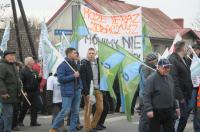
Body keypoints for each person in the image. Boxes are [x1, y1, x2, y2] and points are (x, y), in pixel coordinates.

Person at [50, 48, 82, 132]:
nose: (76, 54)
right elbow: (60, 79)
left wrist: (80, 87)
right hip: (68, 92)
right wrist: (73, 76)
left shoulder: (76, 64)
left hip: (77, 90)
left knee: (75, 111)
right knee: (65, 111)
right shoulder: (63, 65)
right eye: (75, 53)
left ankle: (72, 129)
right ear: (69, 54)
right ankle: (54, 128)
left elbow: (79, 75)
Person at [143, 58, 180, 132]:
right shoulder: (151, 79)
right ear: (159, 67)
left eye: (168, 67)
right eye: (165, 67)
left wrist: (176, 106)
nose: (167, 69)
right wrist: (149, 109)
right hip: (156, 111)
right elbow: (147, 95)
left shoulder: (169, 77)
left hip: (168, 110)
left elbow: (172, 93)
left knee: (170, 130)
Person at [168, 40, 193, 132]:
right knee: (180, 117)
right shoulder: (173, 59)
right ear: (182, 48)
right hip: (179, 96)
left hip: (186, 94)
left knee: (184, 117)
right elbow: (174, 80)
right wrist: (180, 97)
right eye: (186, 47)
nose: (188, 48)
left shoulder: (184, 59)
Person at [80, 48, 103, 132]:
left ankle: (93, 125)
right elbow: (83, 80)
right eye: (89, 53)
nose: (91, 55)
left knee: (100, 108)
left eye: (93, 53)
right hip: (89, 90)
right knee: (88, 110)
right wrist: (86, 93)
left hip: (98, 89)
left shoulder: (99, 63)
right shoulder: (84, 64)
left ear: (95, 54)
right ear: (87, 54)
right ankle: (87, 128)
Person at [0, 50, 21, 132]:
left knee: (5, 115)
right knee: (8, 115)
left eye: (13, 55)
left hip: (13, 95)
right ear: (5, 56)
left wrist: (19, 90)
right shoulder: (2, 66)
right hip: (7, 95)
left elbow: (16, 80)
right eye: (10, 55)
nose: (12, 57)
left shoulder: (13, 65)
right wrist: (3, 92)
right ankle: (7, 130)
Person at [18, 57, 42, 127]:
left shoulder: (34, 71)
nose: (33, 61)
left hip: (35, 92)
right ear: (28, 62)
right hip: (27, 92)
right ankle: (20, 121)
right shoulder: (23, 71)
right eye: (32, 60)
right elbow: (21, 82)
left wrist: (39, 78)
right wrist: (23, 91)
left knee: (35, 107)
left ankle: (33, 122)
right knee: (25, 107)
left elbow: (37, 81)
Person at [138, 53, 158, 132]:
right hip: (145, 97)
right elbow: (147, 83)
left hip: (149, 97)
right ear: (151, 60)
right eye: (155, 60)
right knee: (145, 120)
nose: (156, 61)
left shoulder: (151, 68)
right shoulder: (145, 68)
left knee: (147, 120)